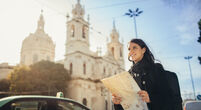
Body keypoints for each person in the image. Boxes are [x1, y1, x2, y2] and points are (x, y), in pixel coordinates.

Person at [112, 38, 182, 110]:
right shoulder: (128, 76)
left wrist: (150, 99)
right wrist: (118, 104)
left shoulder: (157, 70)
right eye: (129, 49)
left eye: (134, 48)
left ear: (143, 50)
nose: (131, 51)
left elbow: (170, 99)